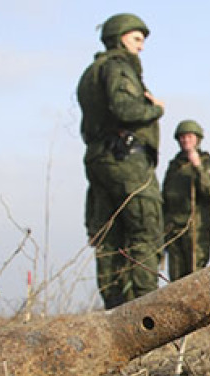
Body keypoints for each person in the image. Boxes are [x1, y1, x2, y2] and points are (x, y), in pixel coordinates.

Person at [77, 13, 166, 309]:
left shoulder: (91, 72)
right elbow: (125, 108)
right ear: (119, 37)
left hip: (99, 158)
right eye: (136, 39)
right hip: (125, 159)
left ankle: (114, 310)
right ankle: (145, 312)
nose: (140, 47)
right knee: (144, 231)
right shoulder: (118, 67)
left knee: (109, 238)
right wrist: (155, 109)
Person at [162, 120, 210, 282]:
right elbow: (165, 198)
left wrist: (197, 166)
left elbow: (209, 189)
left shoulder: (206, 162)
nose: (185, 140)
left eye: (189, 136)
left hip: (197, 229)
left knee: (196, 275)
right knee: (176, 278)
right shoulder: (174, 165)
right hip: (174, 230)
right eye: (182, 137)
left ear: (197, 139)